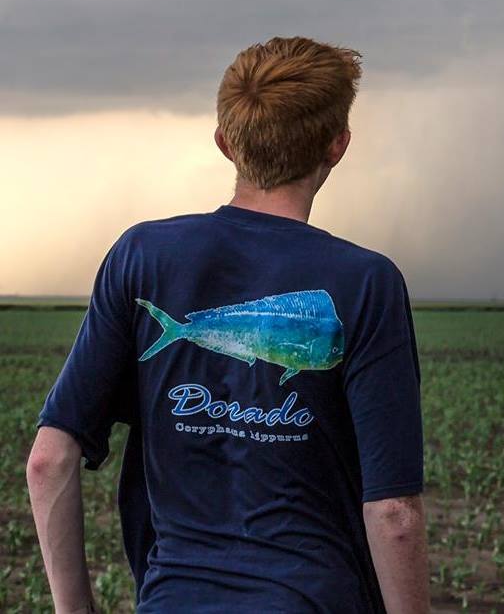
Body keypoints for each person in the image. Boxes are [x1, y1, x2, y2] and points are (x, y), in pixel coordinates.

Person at [25, 36, 430, 613]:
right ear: (338, 146)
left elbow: (48, 460)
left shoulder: (142, 256)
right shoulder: (367, 282)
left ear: (224, 142)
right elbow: (393, 512)